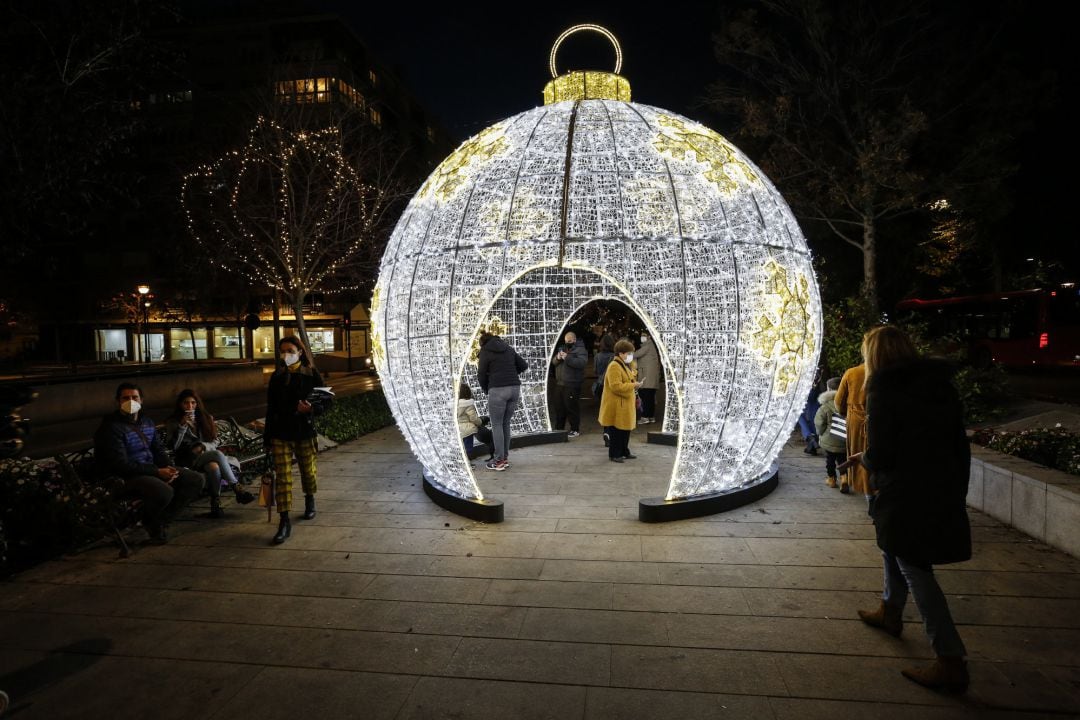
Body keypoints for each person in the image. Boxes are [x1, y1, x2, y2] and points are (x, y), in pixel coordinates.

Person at [839, 325, 972, 693]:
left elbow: (882, 453)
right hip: (940, 488)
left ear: (873, 355)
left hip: (906, 492)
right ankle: (890, 610)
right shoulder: (939, 388)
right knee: (893, 548)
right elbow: (960, 446)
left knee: (916, 569)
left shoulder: (884, 389)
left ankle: (950, 659)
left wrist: (863, 457)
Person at [94, 382, 204, 544]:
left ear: (142, 400)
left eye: (134, 397)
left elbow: (158, 450)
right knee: (164, 491)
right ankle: (152, 523)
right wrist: (157, 472)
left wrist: (169, 467)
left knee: (195, 480)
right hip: (125, 476)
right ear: (118, 401)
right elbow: (120, 464)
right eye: (126, 398)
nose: (130, 401)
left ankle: (160, 522)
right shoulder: (111, 428)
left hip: (150, 469)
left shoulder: (146, 422)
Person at [264, 336, 331, 544]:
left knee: (308, 471)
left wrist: (311, 409)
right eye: (282, 351)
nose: (286, 355)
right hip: (280, 434)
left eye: (290, 350)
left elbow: (326, 402)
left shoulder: (311, 374)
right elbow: (271, 409)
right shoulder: (277, 376)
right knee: (283, 478)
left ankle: (310, 499)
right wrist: (268, 438)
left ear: (300, 352)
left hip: (303, 431)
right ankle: (284, 521)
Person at [165, 388, 255, 518]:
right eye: (186, 403)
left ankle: (215, 506)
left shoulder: (205, 418)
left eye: (193, 403)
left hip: (207, 457)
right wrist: (182, 427)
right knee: (217, 455)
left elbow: (215, 440)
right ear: (180, 404)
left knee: (214, 466)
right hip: (188, 459)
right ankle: (237, 489)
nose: (190, 406)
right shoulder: (173, 421)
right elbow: (174, 447)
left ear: (197, 404)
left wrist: (203, 446)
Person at [477, 332, 528, 471]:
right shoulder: (508, 348)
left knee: (497, 425)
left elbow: (481, 374)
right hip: (514, 388)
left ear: (483, 342)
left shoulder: (485, 351)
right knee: (506, 423)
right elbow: (523, 365)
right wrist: (509, 374)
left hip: (498, 389)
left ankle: (498, 460)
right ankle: (504, 458)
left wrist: (487, 388)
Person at [835, 339, 872, 496]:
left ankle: (868, 494)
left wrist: (847, 413)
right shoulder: (892, 374)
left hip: (856, 422)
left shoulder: (852, 373)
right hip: (882, 421)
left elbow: (838, 402)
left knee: (859, 457)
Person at [598, 339, 642, 463]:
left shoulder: (623, 365)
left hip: (624, 404)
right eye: (628, 353)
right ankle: (614, 454)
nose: (630, 356)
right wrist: (633, 386)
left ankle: (624, 451)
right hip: (617, 405)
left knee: (625, 430)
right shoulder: (614, 366)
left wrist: (633, 373)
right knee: (617, 431)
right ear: (621, 353)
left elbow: (629, 378)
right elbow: (615, 386)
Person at [550, 330, 588, 438]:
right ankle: (559, 428)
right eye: (566, 341)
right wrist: (558, 357)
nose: (568, 342)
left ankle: (575, 429)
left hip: (572, 383)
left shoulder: (581, 350)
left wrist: (567, 357)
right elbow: (553, 362)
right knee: (559, 407)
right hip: (560, 383)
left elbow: (581, 363)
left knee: (571, 407)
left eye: (570, 341)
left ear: (574, 340)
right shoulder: (562, 348)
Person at [813, 377, 847, 488]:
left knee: (830, 460)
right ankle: (844, 478)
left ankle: (831, 479)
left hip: (829, 440)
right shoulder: (847, 404)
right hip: (844, 439)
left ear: (828, 389)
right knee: (843, 459)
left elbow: (819, 423)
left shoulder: (825, 406)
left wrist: (820, 433)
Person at [593, 334, 616, 447]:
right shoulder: (614, 357)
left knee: (604, 409)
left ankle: (606, 431)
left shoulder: (597, 356)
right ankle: (610, 432)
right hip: (611, 385)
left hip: (600, 385)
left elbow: (596, 371)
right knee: (613, 410)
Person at [634, 332, 660, 424]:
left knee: (646, 398)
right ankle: (651, 417)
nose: (642, 337)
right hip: (650, 377)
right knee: (650, 398)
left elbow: (635, 354)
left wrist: (625, 353)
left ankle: (645, 417)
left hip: (648, 378)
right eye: (642, 335)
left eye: (644, 336)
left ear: (649, 337)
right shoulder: (649, 345)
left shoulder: (647, 346)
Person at [457, 383, 484, 456]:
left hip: (457, 430)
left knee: (460, 448)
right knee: (468, 449)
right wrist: (480, 422)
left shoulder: (454, 404)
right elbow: (473, 418)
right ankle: (468, 463)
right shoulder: (468, 404)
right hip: (467, 430)